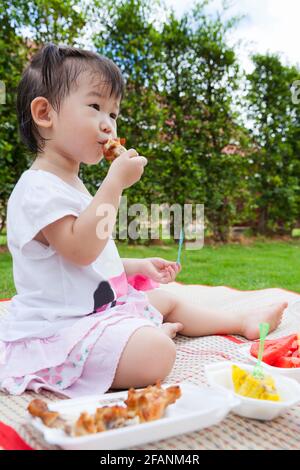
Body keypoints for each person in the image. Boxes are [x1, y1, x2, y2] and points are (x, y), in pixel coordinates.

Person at [0, 44, 287, 397]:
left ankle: (241, 321)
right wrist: (114, 183)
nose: (109, 123)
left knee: (166, 299)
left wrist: (135, 265)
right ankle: (141, 340)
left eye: (114, 113)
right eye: (95, 106)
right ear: (45, 113)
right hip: (63, 329)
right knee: (157, 353)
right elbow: (80, 250)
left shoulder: (71, 184)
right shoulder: (38, 189)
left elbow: (80, 263)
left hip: (96, 312)